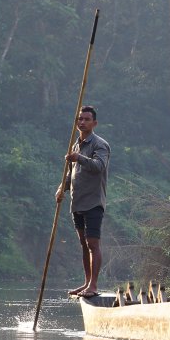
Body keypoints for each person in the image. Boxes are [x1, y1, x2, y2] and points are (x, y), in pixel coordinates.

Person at [55, 105, 110, 298]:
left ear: (94, 123)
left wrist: (79, 158)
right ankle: (86, 283)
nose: (82, 122)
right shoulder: (76, 145)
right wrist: (62, 188)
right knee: (83, 243)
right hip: (77, 202)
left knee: (93, 243)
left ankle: (93, 285)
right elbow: (71, 174)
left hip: (93, 202)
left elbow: (99, 166)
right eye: (80, 119)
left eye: (86, 119)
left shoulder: (99, 145)